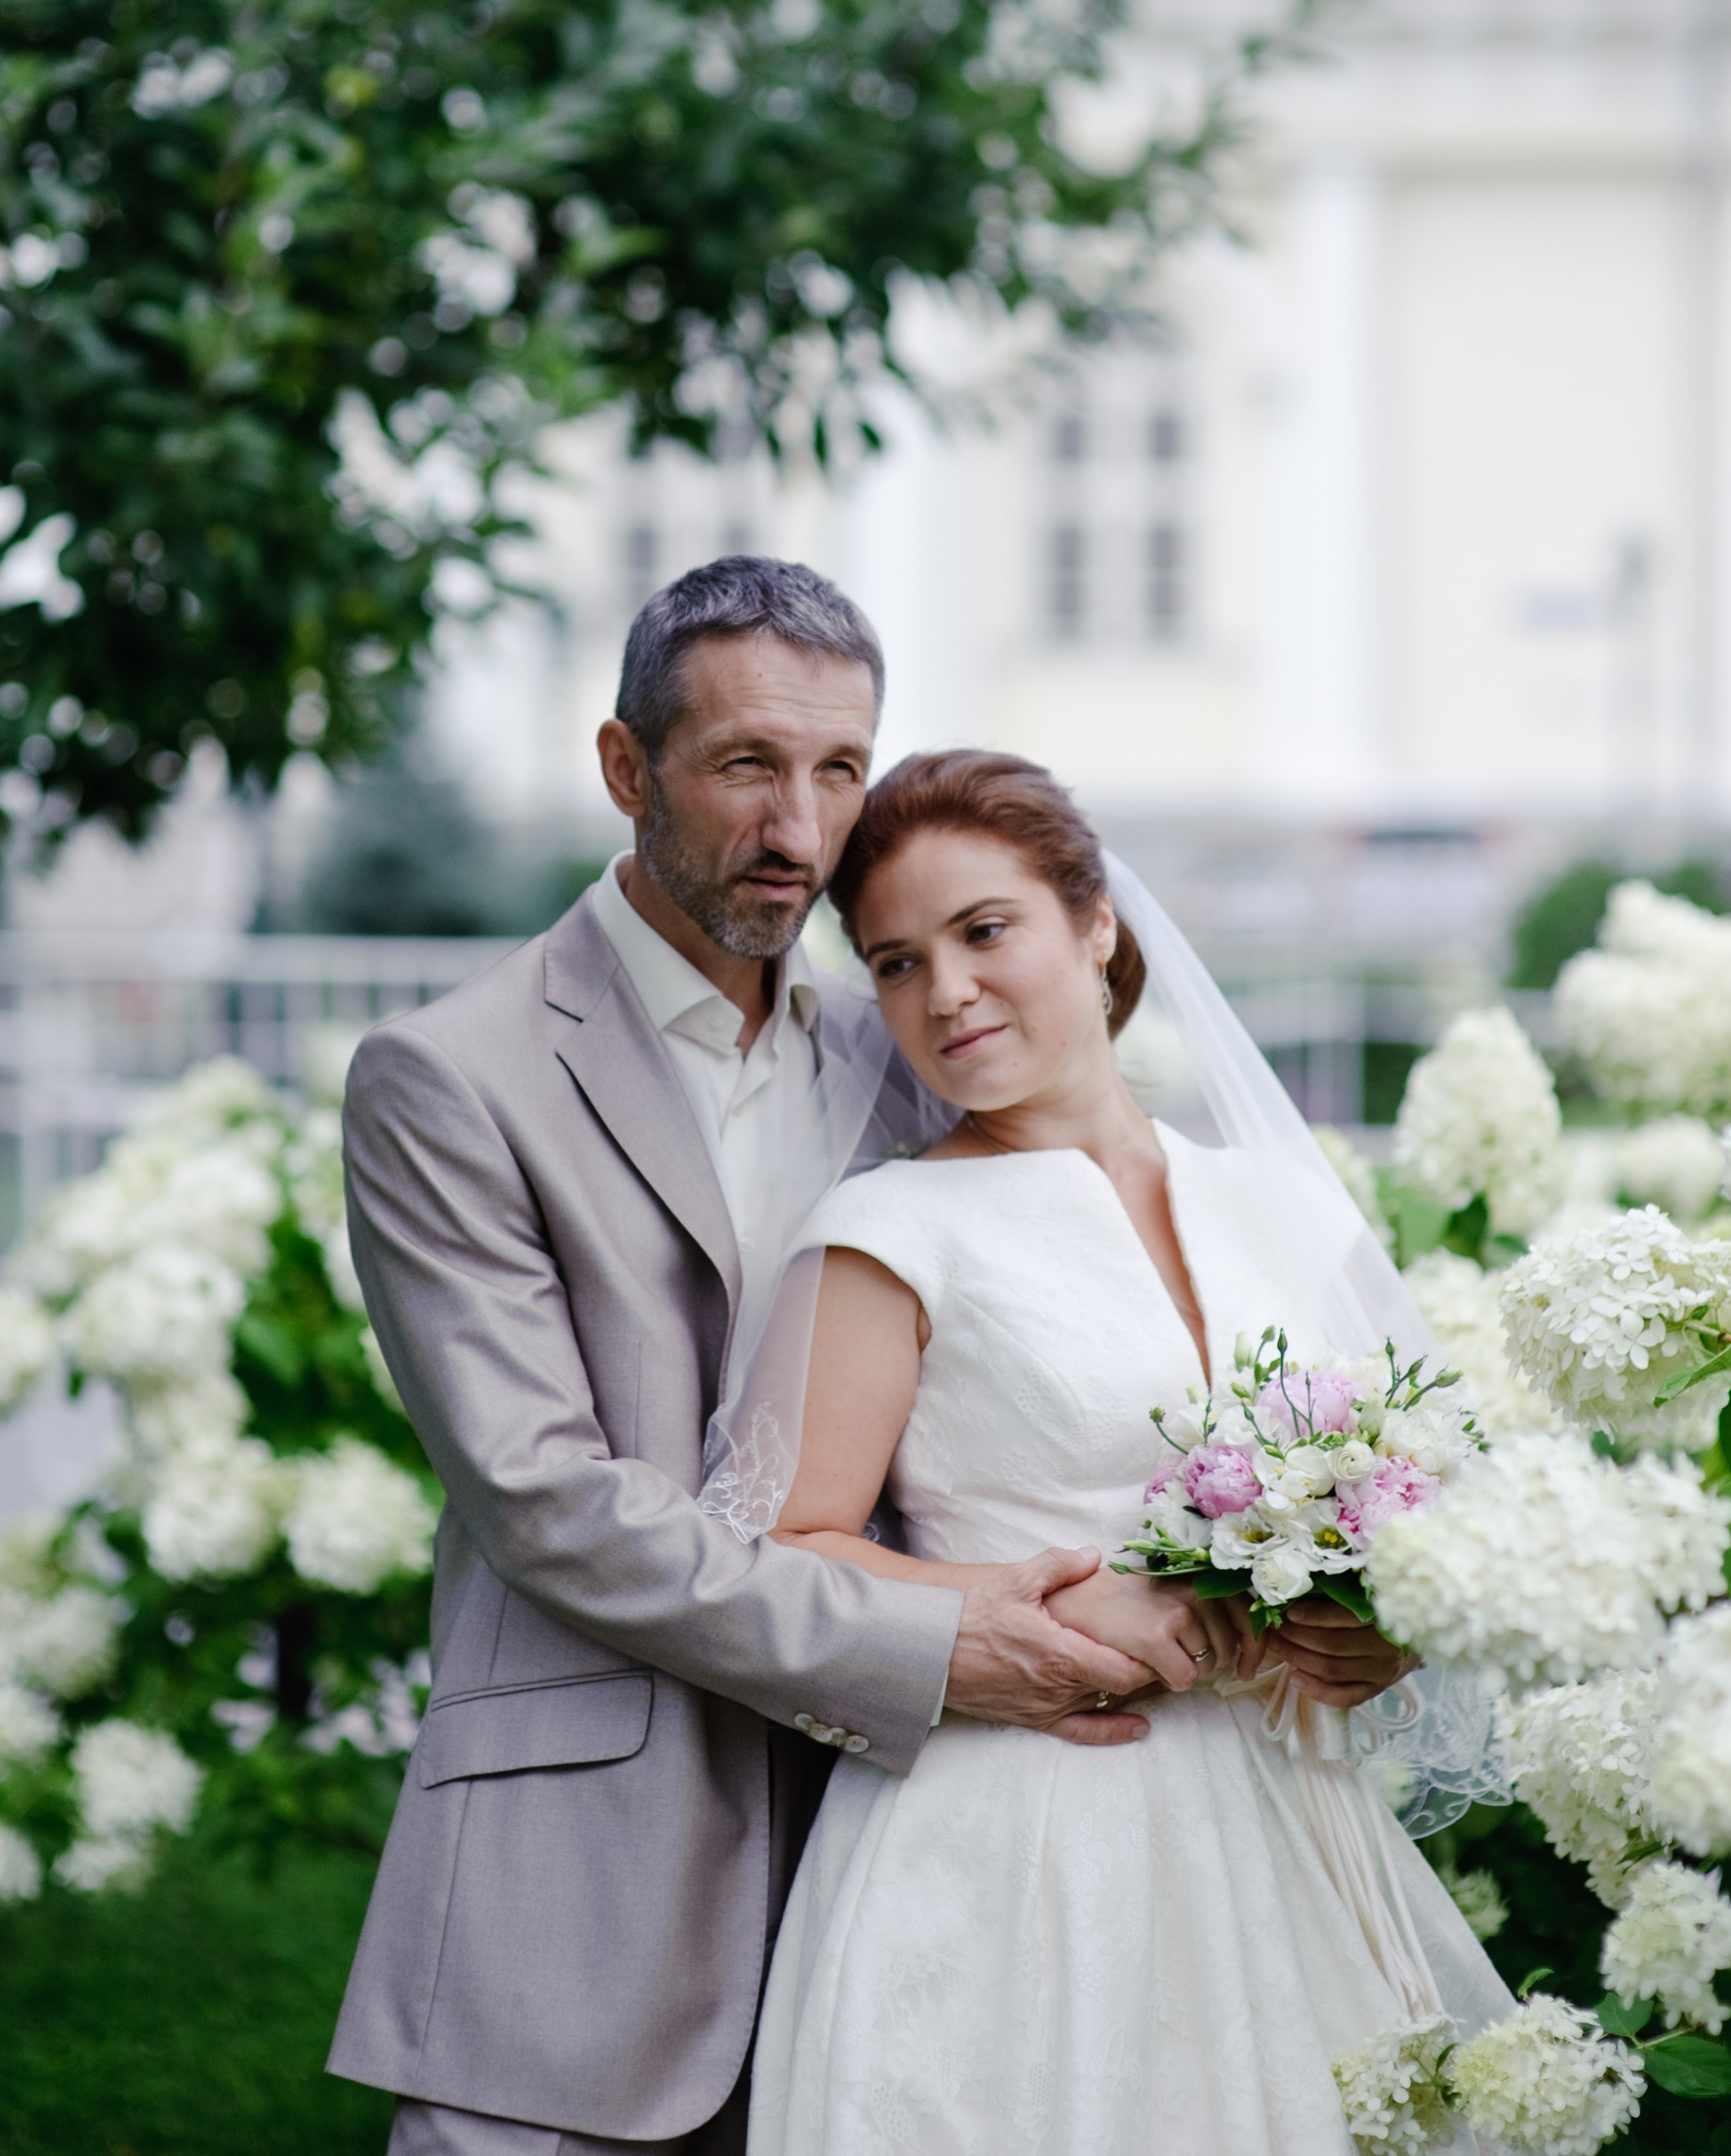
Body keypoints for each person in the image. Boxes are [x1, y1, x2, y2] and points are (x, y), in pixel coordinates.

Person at [327, 563, 1155, 2156]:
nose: (800, 828)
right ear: (626, 769)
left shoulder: (902, 1045)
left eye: (839, 770)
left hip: (907, 1850)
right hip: (575, 1866)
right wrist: (926, 1647)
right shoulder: (448, 1078)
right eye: (745, 767)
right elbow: (548, 1502)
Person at [744, 749, 1514, 2156]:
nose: (947, 993)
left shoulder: (1282, 1205)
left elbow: (1418, 1494)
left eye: (985, 932)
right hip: (1019, 1841)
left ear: (1096, 926)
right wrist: (1015, 1604)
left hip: (1292, 1822)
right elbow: (782, 1555)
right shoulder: (889, 1236)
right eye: (898, 964)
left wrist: (1386, 1621)